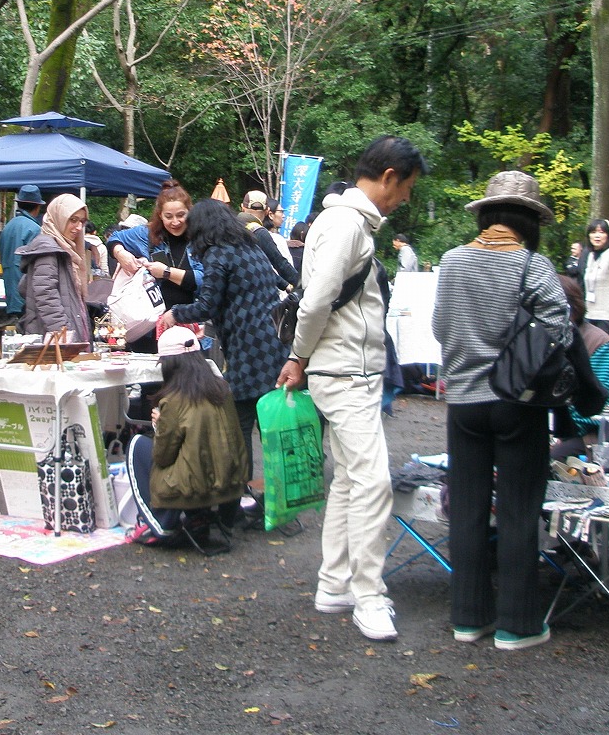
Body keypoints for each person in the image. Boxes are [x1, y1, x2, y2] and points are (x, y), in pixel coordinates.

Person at [276, 135, 425, 643]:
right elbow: (316, 301)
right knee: (372, 482)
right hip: (345, 374)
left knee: (347, 480)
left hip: (342, 370)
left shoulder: (343, 220)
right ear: (388, 177)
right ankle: (369, 596)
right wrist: (299, 355)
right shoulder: (346, 224)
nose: (404, 198)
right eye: (406, 188)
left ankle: (334, 584)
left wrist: (303, 357)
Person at [432, 170, 570, 651]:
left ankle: (468, 618)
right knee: (517, 510)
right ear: (530, 221)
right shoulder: (533, 265)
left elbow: (440, 327)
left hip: (463, 403)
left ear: (487, 215)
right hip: (517, 403)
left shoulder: (452, 260)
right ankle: (518, 624)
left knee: (467, 510)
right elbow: (559, 331)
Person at [160, 198, 290, 492]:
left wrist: (174, 314)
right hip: (274, 345)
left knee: (239, 422)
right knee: (268, 425)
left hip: (247, 348)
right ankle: (277, 494)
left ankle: (241, 494)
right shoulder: (251, 248)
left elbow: (207, 304)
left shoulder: (218, 254)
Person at [126, 326, 248, 551]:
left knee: (137, 445)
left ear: (170, 364)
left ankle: (160, 522)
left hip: (193, 488)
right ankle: (198, 517)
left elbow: (162, 456)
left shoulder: (174, 399)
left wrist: (160, 424)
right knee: (195, 453)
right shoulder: (222, 387)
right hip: (230, 482)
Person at [108, 180, 204, 353]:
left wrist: (166, 272)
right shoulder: (146, 234)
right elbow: (115, 238)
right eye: (169, 216)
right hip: (148, 327)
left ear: (190, 212)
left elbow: (205, 280)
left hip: (188, 326)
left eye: (181, 215)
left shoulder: (201, 239)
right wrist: (121, 254)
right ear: (160, 215)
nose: (175, 222)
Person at [550, 274, 609, 460]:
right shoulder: (539, 339)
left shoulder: (599, 345)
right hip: (551, 428)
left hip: (591, 434)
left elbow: (603, 405)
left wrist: (555, 429)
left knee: (547, 458)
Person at [16, 194, 92, 342]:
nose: (78, 227)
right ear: (59, 218)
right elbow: (46, 296)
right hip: (52, 339)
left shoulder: (67, 248)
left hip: (60, 337)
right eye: (73, 220)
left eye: (82, 221)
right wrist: (65, 336)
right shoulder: (48, 249)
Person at [0, 185, 44, 326]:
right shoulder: (35, 229)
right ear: (37, 207)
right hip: (26, 294)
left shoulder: (8, 227)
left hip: (10, 291)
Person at [239, 190, 298, 287]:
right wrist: (299, 283)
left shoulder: (232, 227)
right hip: (252, 288)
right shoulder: (259, 232)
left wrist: (285, 285)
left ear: (242, 207)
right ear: (267, 211)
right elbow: (279, 263)